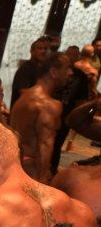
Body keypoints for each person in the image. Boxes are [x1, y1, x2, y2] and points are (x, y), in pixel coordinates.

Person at [10, 53, 72, 183]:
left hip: (13, 161)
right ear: (54, 72)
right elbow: (45, 144)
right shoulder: (48, 105)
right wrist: (42, 178)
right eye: (67, 68)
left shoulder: (25, 96)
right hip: (30, 167)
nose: (70, 73)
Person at [11, 37, 51, 109]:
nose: (43, 51)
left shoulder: (41, 69)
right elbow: (24, 93)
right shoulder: (26, 69)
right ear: (32, 51)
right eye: (39, 48)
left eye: (45, 49)